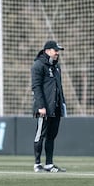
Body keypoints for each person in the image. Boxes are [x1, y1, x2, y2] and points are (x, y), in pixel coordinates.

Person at [31, 40, 67, 173]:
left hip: (56, 107)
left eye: (58, 50)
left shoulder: (56, 67)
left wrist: (62, 103)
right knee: (40, 135)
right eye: (55, 50)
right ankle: (37, 164)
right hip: (44, 108)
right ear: (47, 51)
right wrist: (41, 106)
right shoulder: (38, 65)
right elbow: (36, 87)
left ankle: (49, 164)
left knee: (51, 136)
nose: (57, 53)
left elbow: (59, 87)